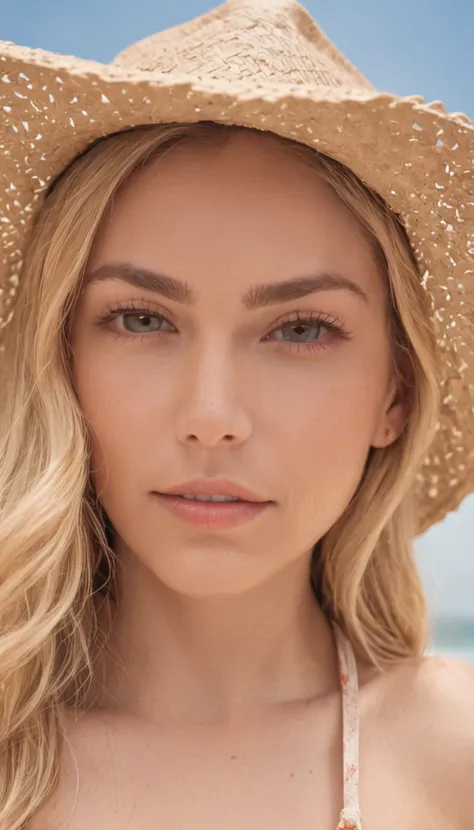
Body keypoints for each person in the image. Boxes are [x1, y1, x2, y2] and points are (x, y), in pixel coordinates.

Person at [0, 1, 473, 828]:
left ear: (394, 393)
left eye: (300, 329)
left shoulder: (453, 750)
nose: (212, 418)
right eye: (142, 319)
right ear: (61, 361)